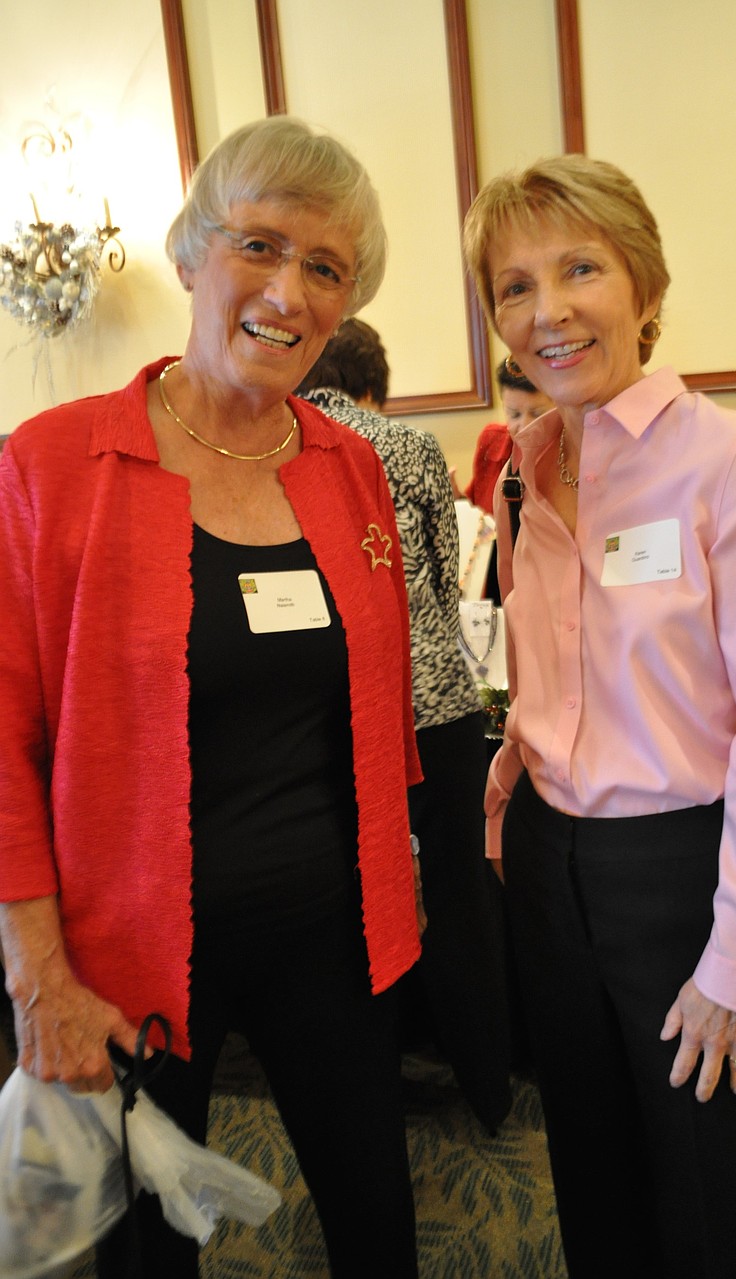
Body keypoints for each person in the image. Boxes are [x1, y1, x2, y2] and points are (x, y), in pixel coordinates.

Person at [0, 116, 425, 1278]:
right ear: (191, 256)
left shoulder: (352, 472)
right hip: (125, 953)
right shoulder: (52, 465)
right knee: (147, 1251)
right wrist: (39, 977)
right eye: (258, 245)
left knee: (378, 1224)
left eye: (325, 268)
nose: (287, 291)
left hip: (334, 936)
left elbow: (374, 710)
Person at [462, 153, 736, 1278]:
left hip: (688, 874)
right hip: (552, 868)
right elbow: (555, 675)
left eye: (580, 268)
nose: (547, 310)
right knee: (594, 1177)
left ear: (645, 287)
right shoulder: (529, 464)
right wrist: (509, 791)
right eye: (514, 286)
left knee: (714, 1198)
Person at [297, 319, 513, 1129]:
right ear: (373, 383)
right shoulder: (412, 447)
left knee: (355, 899)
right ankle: (488, 1083)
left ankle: (370, 1084)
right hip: (438, 703)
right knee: (459, 895)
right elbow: (434, 568)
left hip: (340, 707)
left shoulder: (280, 445)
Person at [455, 357, 554, 514]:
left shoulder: (576, 452)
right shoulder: (493, 441)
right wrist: (455, 500)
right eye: (514, 414)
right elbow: (481, 515)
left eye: (537, 414)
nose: (525, 426)